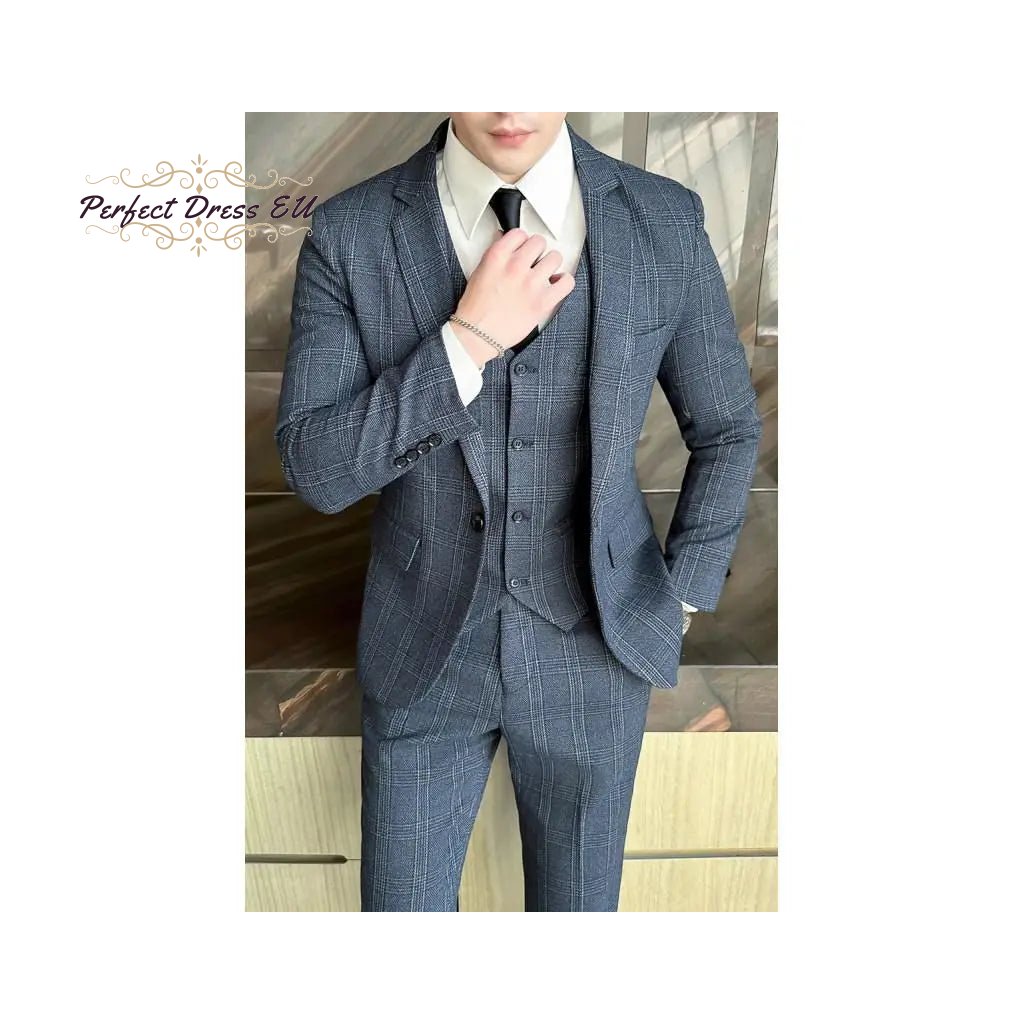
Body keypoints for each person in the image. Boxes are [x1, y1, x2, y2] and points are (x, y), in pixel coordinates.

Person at [276, 112, 762, 911]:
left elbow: (728, 427)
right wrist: (467, 340)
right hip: (422, 648)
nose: (511, 107)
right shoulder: (352, 230)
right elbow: (318, 470)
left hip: (597, 647)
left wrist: (677, 599)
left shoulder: (662, 217)